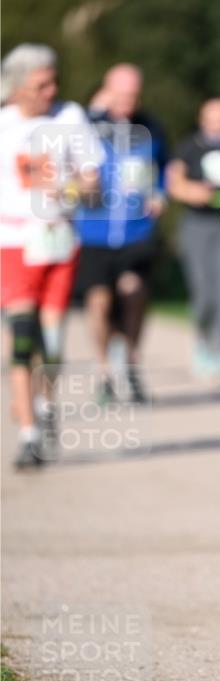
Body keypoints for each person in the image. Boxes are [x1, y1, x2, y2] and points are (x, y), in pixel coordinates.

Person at [0, 44, 103, 469]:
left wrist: (73, 188)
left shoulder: (70, 117)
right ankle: (28, 435)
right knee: (23, 337)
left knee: (53, 342)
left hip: (59, 240)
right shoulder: (4, 124)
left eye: (53, 80)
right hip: (14, 243)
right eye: (42, 84)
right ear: (19, 87)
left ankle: (45, 406)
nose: (52, 89)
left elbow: (94, 183)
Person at [73, 64, 168, 404]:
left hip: (136, 229)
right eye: (122, 93)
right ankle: (104, 371)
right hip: (93, 230)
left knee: (134, 290)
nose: (129, 100)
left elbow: (164, 168)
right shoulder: (87, 125)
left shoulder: (151, 127)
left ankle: (130, 361)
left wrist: (160, 193)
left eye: (134, 94)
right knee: (97, 301)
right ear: (107, 91)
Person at [166, 98, 220, 380]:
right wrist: (192, 192)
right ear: (202, 118)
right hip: (197, 225)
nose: (219, 123)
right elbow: (173, 183)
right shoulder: (190, 146)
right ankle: (202, 342)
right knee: (203, 291)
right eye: (213, 117)